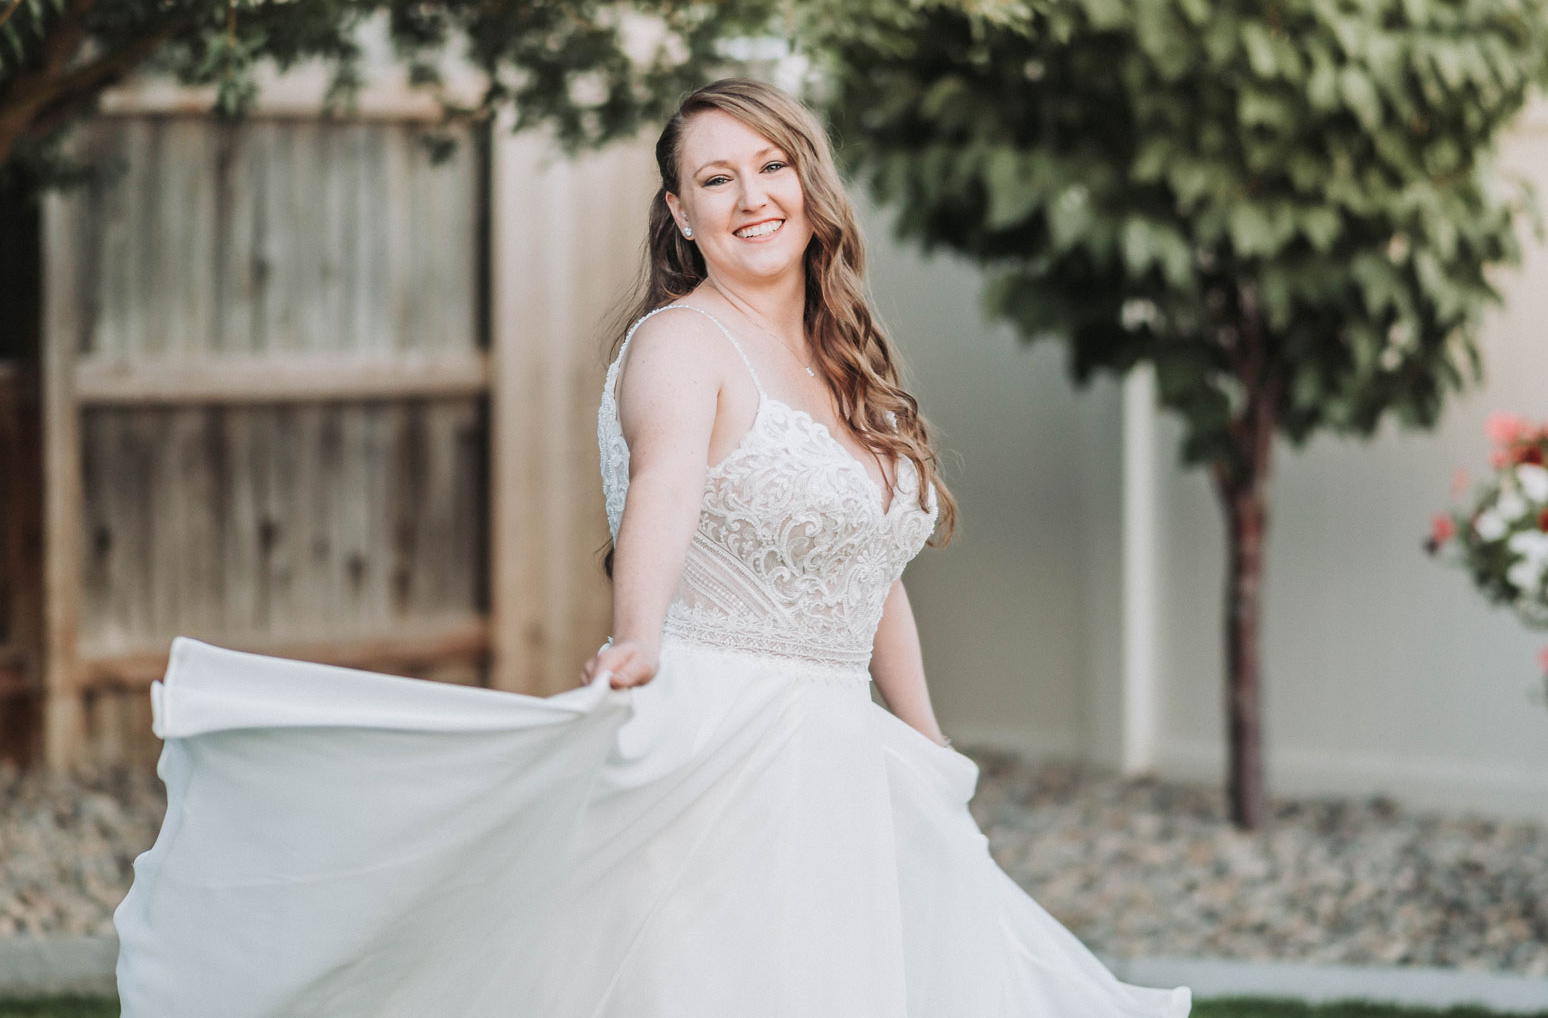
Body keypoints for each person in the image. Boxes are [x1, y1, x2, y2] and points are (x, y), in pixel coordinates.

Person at [113, 78, 1192, 1018]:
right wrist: (637, 639)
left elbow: (871, 580)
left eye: (772, 166)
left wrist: (929, 747)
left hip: (837, 750)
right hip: (724, 726)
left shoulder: (843, 359)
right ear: (681, 213)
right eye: (716, 180)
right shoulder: (682, 345)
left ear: (811, 188)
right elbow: (664, 490)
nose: (752, 196)